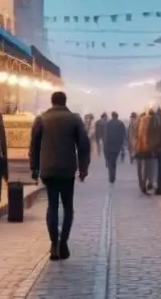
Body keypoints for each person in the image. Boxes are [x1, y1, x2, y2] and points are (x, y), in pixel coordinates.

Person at [30, 91, 91, 261]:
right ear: (65, 102)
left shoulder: (41, 119)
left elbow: (33, 145)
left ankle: (53, 243)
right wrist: (83, 168)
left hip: (48, 170)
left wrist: (34, 169)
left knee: (52, 205)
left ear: (52, 102)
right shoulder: (74, 119)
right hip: (66, 169)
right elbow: (84, 145)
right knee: (68, 206)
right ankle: (63, 242)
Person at [103, 111, 127, 183]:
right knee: (114, 160)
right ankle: (113, 175)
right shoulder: (121, 124)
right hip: (117, 145)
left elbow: (106, 135)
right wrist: (122, 143)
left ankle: (111, 177)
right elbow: (123, 134)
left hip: (109, 145)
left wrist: (105, 143)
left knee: (110, 161)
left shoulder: (108, 124)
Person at [134, 108, 154, 194]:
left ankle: (142, 183)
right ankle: (146, 182)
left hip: (139, 148)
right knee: (147, 168)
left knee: (140, 168)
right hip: (147, 148)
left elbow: (134, 137)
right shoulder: (150, 123)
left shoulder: (137, 124)